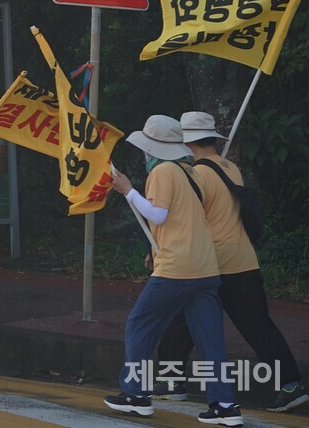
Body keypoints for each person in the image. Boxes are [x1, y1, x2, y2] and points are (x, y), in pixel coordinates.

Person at [156, 112, 303, 414]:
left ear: (187, 143)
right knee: (259, 326)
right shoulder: (230, 167)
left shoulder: (197, 175)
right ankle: (290, 385)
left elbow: (190, 222)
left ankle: (171, 384)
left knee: (180, 318)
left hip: (210, 262)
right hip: (244, 261)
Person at [106, 115, 242, 426]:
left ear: (153, 148)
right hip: (206, 267)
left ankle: (136, 395)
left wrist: (127, 190)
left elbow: (159, 214)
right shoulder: (191, 171)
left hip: (177, 267)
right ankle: (225, 405)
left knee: (139, 325)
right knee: (211, 340)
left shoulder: (163, 171)